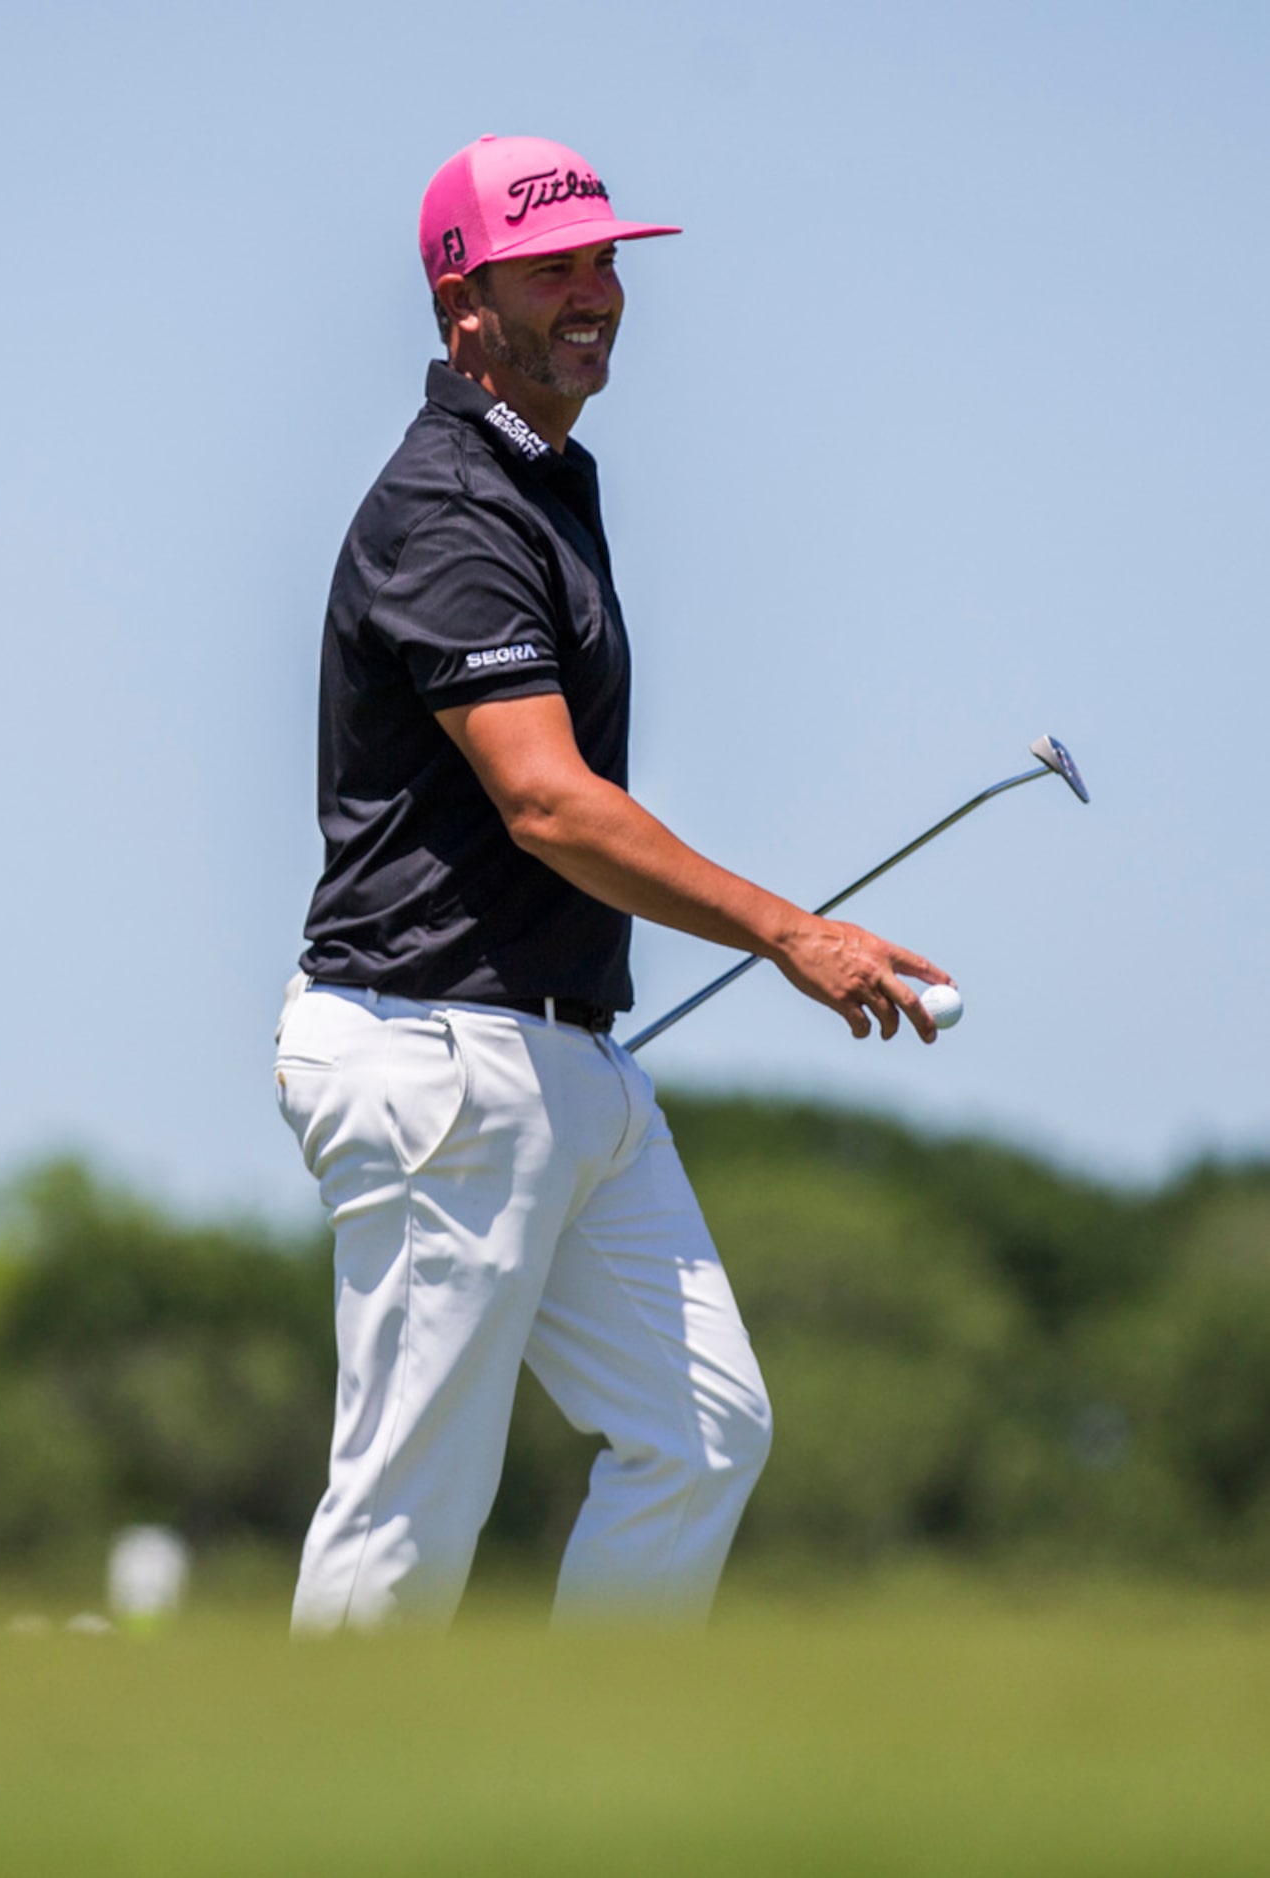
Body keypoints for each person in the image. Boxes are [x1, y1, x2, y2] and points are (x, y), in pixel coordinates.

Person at [275, 133, 952, 1630]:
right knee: (406, 1507)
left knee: (702, 1431)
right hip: (434, 1055)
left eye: (604, 260)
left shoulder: (550, 480)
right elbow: (545, 799)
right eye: (553, 268)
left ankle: (566, 1799)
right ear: (464, 303)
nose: (596, 292)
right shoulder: (450, 508)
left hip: (560, 1054)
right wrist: (787, 930)